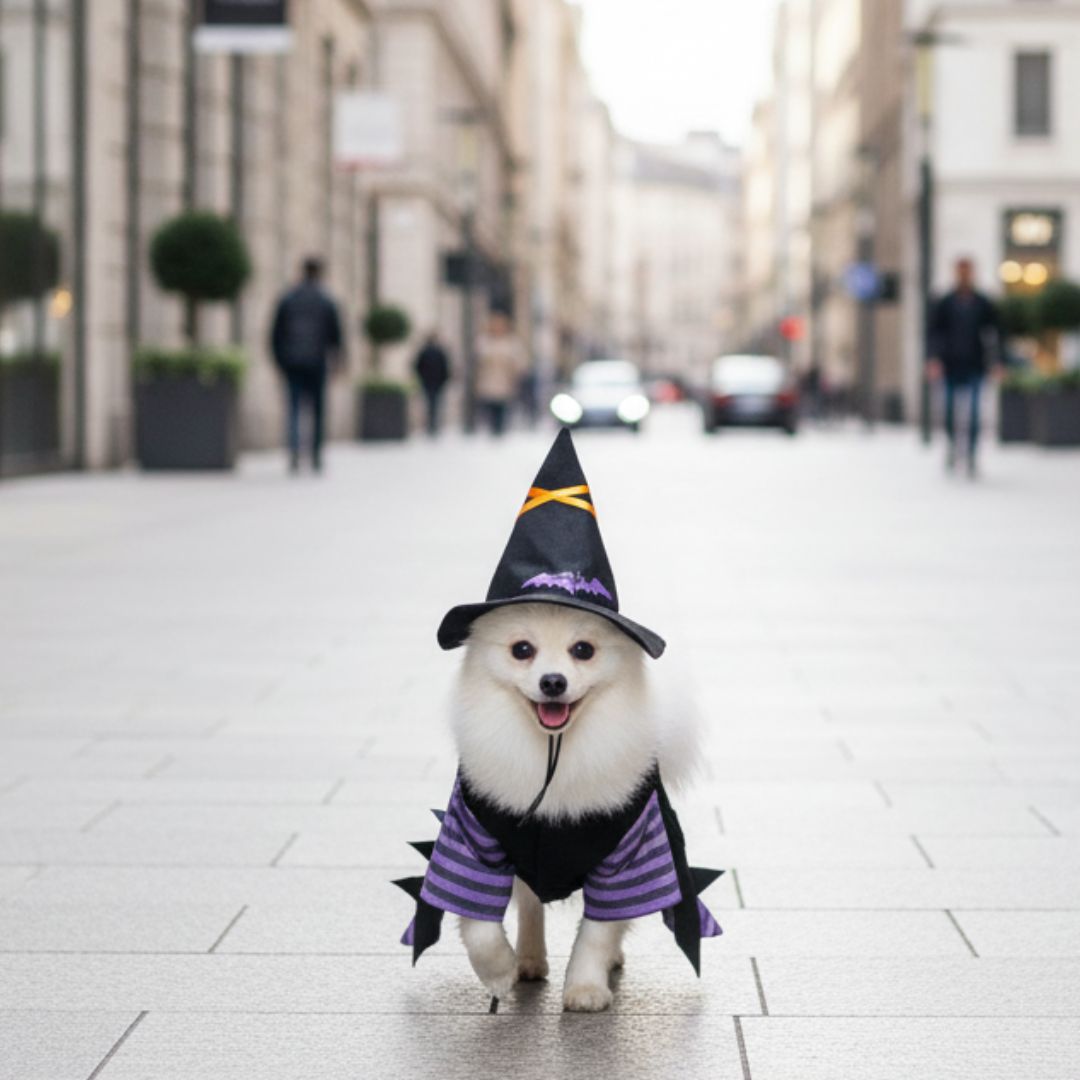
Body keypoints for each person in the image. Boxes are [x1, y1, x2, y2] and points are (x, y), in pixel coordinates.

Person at [927, 257, 1002, 476]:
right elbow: (934, 332)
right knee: (949, 411)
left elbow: (996, 332)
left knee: (974, 413)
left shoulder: (983, 302)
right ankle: (952, 447)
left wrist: (997, 361)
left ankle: (971, 454)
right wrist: (933, 359)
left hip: (976, 364)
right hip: (950, 364)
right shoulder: (945, 302)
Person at [270, 257, 343, 472]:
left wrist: (279, 361)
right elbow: (336, 336)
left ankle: (294, 452)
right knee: (317, 410)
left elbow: (275, 334)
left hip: (292, 361)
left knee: (293, 408)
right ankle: (316, 455)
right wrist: (337, 361)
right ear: (320, 273)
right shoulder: (326, 300)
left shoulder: (288, 298)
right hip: (317, 362)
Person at [475, 312, 527, 436]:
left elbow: (519, 362)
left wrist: (514, 375)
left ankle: (500, 429)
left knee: (502, 406)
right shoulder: (484, 341)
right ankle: (493, 428)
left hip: (504, 381)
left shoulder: (511, 342)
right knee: (490, 404)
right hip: (489, 380)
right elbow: (478, 361)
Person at [413, 332, 452, 436]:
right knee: (436, 403)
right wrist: (444, 380)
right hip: (437, 382)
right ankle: (434, 425)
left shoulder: (424, 351)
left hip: (428, 382)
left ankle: (431, 425)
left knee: (430, 403)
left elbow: (417, 366)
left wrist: (421, 377)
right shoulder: (440, 351)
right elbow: (446, 368)